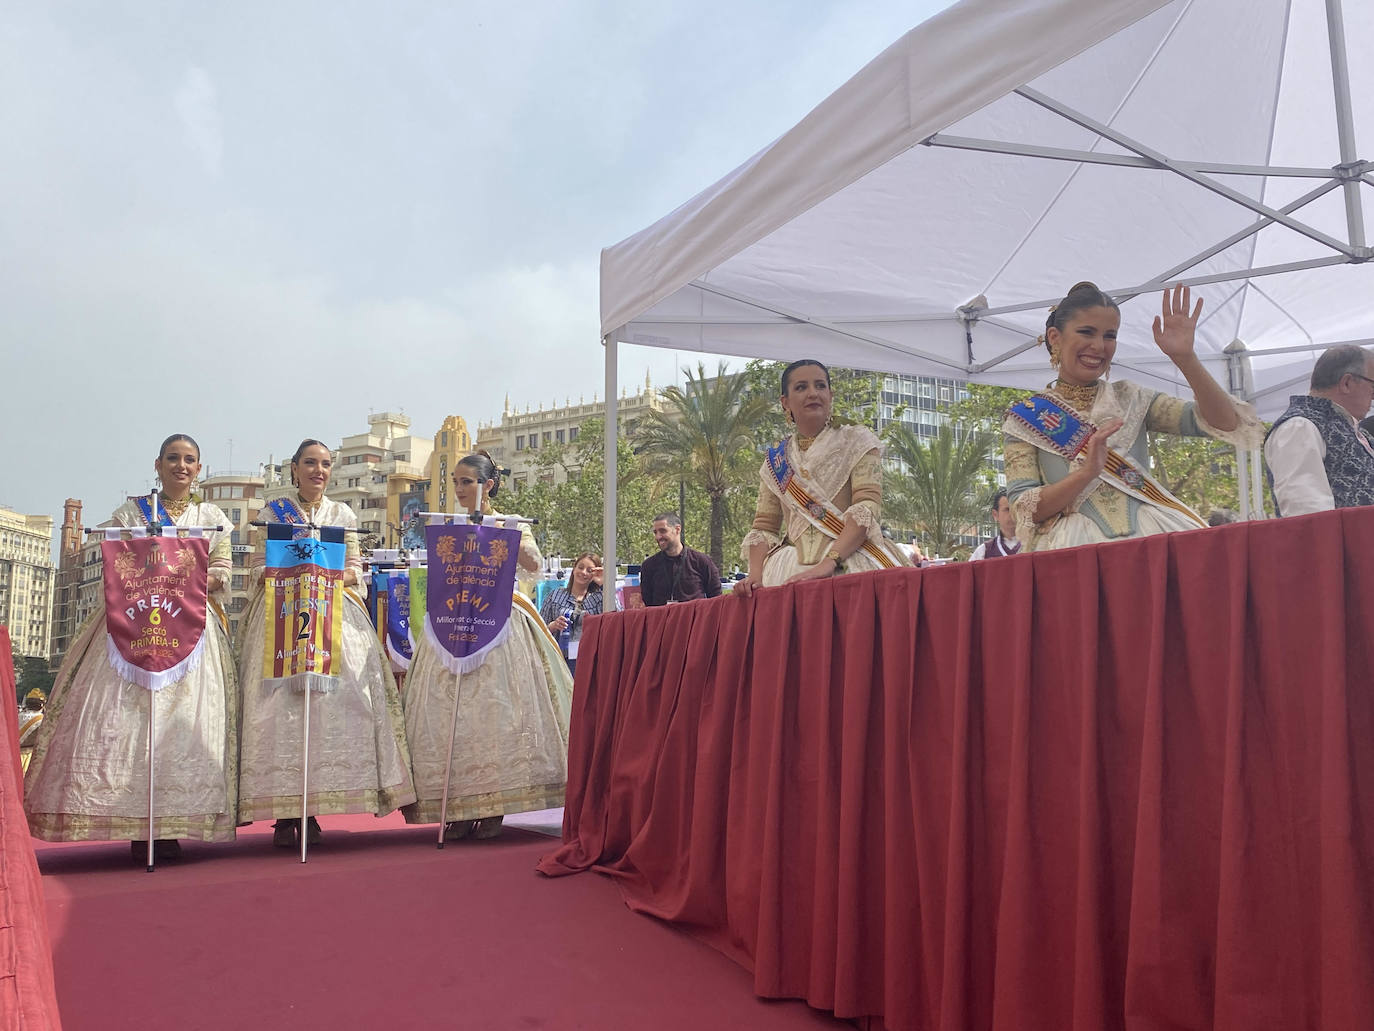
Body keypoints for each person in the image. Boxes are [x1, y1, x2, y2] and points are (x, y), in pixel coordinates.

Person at [25, 434, 239, 861]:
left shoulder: (211, 515)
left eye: (190, 460)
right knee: (127, 726)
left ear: (199, 469)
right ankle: (134, 820)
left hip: (193, 631)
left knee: (186, 724)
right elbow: (117, 561)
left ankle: (174, 820)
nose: (182, 466)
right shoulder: (131, 512)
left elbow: (223, 568)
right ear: (157, 465)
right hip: (133, 630)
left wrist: (191, 581)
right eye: (173, 458)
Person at [236, 439, 415, 849]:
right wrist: (292, 573)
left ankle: (314, 804)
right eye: (310, 464)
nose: (319, 471)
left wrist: (324, 575)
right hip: (281, 617)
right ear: (294, 469)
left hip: (332, 615)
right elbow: (258, 568)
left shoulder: (343, 514)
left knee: (326, 714)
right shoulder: (271, 513)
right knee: (281, 715)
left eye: (326, 464)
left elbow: (356, 570)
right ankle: (285, 813)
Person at [1002, 283, 1263, 552]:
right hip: (1072, 550)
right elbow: (1024, 510)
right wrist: (1086, 473)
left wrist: (1185, 358)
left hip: (1151, 542)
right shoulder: (1026, 418)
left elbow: (1225, 422)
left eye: (1109, 336)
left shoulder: (1132, 398)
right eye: (1086, 332)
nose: (1098, 346)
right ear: (1055, 337)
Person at [402, 453, 574, 841]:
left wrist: (508, 534)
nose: (461, 490)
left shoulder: (511, 522)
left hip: (500, 624)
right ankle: (459, 805)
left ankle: (496, 803)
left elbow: (533, 566)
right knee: (452, 718)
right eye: (456, 483)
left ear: (488, 484)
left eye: (468, 482)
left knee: (499, 715)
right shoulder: (449, 524)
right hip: (454, 624)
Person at [735, 359, 910, 597]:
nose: (812, 393)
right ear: (785, 402)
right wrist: (755, 577)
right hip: (785, 572)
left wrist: (828, 564)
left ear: (830, 394)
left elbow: (867, 507)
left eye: (820, 385)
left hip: (850, 565)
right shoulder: (775, 459)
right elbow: (764, 527)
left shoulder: (858, 440)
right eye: (801, 387)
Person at [1264, 345, 1374, 516]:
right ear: (1347, 383)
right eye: (1373, 385)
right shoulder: (1300, 426)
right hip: (1344, 542)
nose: (1373, 396)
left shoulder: (1353, 431)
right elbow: (1307, 512)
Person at [540, 552, 604, 676]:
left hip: (591, 663)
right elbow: (538, 629)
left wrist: (604, 584)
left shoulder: (599, 598)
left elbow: (618, 616)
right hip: (558, 662)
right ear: (574, 568)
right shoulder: (555, 595)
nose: (584, 572)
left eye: (589, 570)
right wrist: (553, 626)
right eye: (580, 567)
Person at [639, 514, 722, 605]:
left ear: (677, 529)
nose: (658, 537)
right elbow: (648, 600)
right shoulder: (649, 566)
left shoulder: (702, 562)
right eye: (655, 532)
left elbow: (716, 598)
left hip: (694, 618)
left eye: (663, 531)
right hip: (662, 618)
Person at [969, 490, 1022, 560]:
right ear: (995, 514)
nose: (1013, 513)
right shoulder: (984, 552)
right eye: (1007, 509)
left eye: (1016, 508)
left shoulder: (1035, 544)